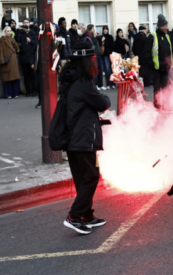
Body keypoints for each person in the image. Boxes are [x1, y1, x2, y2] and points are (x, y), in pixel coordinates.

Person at [60, 41, 111, 235]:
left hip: (76, 138)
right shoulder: (82, 83)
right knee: (91, 177)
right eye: (92, 58)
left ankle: (86, 215)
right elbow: (103, 102)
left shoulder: (73, 80)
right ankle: (74, 216)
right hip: (82, 139)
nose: (95, 62)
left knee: (83, 178)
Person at [146, 14, 173, 111]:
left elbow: (170, 50)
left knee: (165, 89)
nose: (167, 27)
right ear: (161, 26)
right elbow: (147, 53)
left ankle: (166, 106)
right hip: (156, 68)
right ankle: (157, 107)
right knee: (157, 89)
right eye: (165, 25)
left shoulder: (167, 36)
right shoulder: (152, 36)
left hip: (166, 67)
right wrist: (152, 65)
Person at [16, 18, 37, 97]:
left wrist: (30, 41)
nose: (25, 24)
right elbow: (16, 41)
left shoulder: (32, 32)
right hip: (23, 57)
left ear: (29, 24)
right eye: (24, 22)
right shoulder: (21, 32)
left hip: (31, 57)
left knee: (33, 76)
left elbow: (36, 45)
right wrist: (18, 30)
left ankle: (34, 91)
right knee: (26, 76)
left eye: (27, 22)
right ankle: (28, 91)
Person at [0, 26, 20, 99]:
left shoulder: (12, 39)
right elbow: (0, 51)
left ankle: (15, 93)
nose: (9, 32)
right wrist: (2, 61)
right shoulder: (2, 39)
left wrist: (15, 44)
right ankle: (8, 94)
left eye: (10, 31)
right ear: (5, 32)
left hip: (13, 61)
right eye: (7, 31)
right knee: (7, 79)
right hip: (7, 61)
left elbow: (17, 49)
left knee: (14, 78)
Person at [101, 25, 116, 90]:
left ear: (108, 30)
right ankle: (109, 84)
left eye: (106, 29)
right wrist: (102, 42)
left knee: (112, 70)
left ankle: (113, 84)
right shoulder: (102, 37)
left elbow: (112, 45)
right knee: (107, 70)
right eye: (104, 29)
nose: (105, 30)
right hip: (105, 55)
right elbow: (100, 45)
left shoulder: (110, 37)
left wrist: (105, 42)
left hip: (111, 55)